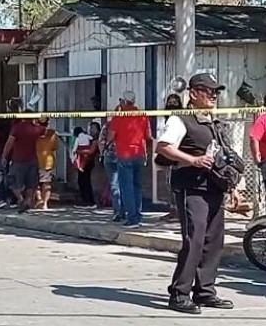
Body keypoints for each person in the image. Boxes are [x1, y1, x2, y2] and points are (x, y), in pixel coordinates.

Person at [155, 73, 235, 315]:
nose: (213, 96)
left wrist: (233, 187)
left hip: (215, 187)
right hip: (192, 187)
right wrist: (193, 160)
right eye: (208, 91)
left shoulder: (213, 121)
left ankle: (205, 291)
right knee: (195, 240)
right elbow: (163, 147)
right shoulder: (182, 119)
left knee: (214, 241)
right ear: (193, 94)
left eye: (215, 92)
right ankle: (179, 293)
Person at [108, 91, 152, 227]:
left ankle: (132, 218)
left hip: (124, 154)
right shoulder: (142, 116)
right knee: (137, 186)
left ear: (123, 101)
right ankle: (137, 215)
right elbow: (149, 137)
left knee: (126, 187)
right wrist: (147, 152)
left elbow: (110, 136)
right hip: (139, 153)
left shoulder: (119, 116)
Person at [2, 116, 44, 213]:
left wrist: (4, 156)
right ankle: (28, 201)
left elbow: (9, 143)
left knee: (12, 182)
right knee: (31, 184)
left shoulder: (17, 128)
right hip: (32, 159)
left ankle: (21, 200)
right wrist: (39, 122)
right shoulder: (36, 129)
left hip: (18, 160)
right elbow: (47, 130)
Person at [157, 93, 184, 222]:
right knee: (172, 183)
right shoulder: (174, 117)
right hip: (176, 154)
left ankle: (175, 211)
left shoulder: (175, 118)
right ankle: (174, 210)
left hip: (176, 154)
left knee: (174, 184)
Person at [75, 122, 100, 207]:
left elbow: (91, 151)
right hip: (83, 160)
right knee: (81, 180)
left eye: (93, 128)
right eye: (90, 128)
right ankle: (84, 199)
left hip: (88, 161)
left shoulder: (95, 140)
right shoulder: (88, 138)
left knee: (85, 180)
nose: (91, 130)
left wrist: (79, 151)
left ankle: (90, 201)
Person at [36, 118, 59, 210]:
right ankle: (45, 204)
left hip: (35, 160)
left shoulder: (35, 133)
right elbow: (54, 147)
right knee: (46, 183)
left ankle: (39, 199)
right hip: (48, 161)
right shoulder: (52, 133)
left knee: (34, 183)